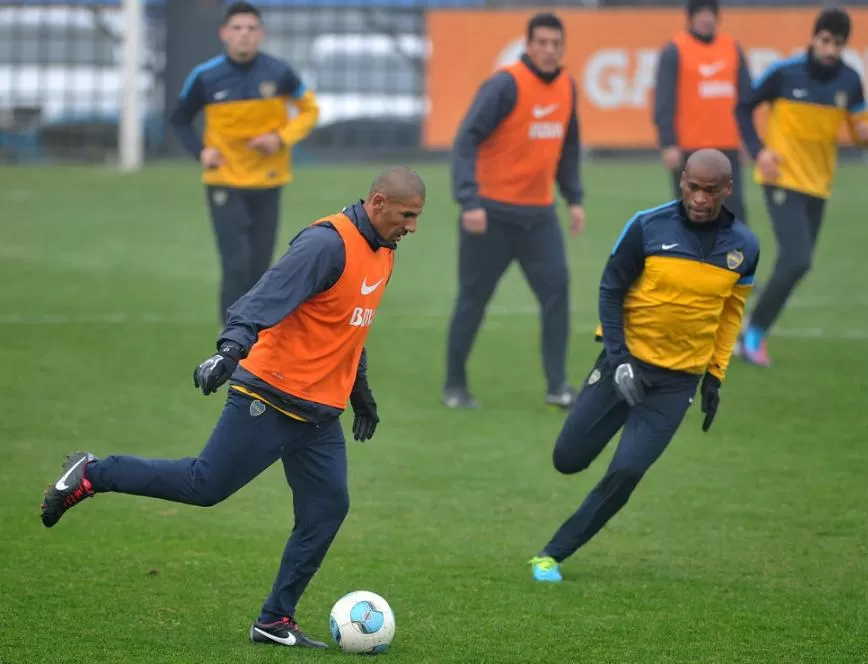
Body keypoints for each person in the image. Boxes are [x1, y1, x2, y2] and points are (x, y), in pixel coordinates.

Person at [39, 167, 426, 649]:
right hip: (270, 394)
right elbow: (264, 298)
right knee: (204, 485)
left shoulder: (383, 254)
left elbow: (346, 328)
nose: (412, 227)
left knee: (327, 509)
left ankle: (275, 620)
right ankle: (94, 474)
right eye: (407, 215)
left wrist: (359, 391)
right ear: (378, 202)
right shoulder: (327, 245)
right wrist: (229, 350)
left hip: (319, 415)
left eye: (416, 218)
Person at [528, 150, 759, 582]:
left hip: (678, 382)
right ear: (681, 182)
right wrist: (618, 360)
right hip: (625, 363)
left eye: (712, 191)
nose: (701, 199)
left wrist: (715, 375)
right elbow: (611, 290)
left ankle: (552, 554)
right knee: (568, 459)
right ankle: (558, 536)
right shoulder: (647, 226)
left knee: (628, 470)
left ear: (727, 190)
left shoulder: (744, 247)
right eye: (693, 187)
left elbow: (730, 315)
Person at [443, 11, 585, 410]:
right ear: (528, 45)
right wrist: (468, 200)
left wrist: (573, 197)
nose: (548, 50)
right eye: (541, 42)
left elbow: (568, 148)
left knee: (556, 293)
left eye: (555, 44)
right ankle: (454, 384)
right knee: (473, 298)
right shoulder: (505, 85)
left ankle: (558, 386)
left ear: (562, 48)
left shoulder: (567, 87)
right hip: (490, 214)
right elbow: (465, 140)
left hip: (539, 217)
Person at [735, 7, 868, 367]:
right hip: (781, 178)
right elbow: (743, 105)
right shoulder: (784, 73)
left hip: (818, 184)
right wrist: (759, 151)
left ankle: (747, 328)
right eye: (825, 41)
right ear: (813, 38)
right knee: (797, 258)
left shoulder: (850, 80)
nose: (830, 50)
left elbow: (860, 128)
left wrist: (865, 135)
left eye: (838, 44)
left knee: (798, 264)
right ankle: (753, 336)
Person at [170, 1, 320, 324]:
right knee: (235, 265)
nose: (244, 35)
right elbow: (179, 119)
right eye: (237, 29)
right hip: (225, 181)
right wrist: (201, 152)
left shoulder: (279, 73)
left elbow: (310, 110)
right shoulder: (205, 76)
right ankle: (230, 343)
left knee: (259, 268)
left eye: (251, 29)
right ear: (224, 34)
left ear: (261, 34)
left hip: (268, 181)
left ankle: (255, 342)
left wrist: (279, 138)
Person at [653, 0, 752, 224]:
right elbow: (664, 99)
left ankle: (734, 259)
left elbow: (746, 99)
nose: (706, 18)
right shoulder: (675, 50)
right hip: (691, 148)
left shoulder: (732, 48)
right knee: (692, 213)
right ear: (691, 17)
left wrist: (748, 139)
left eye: (710, 13)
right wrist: (668, 142)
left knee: (734, 213)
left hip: (728, 146)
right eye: (700, 13)